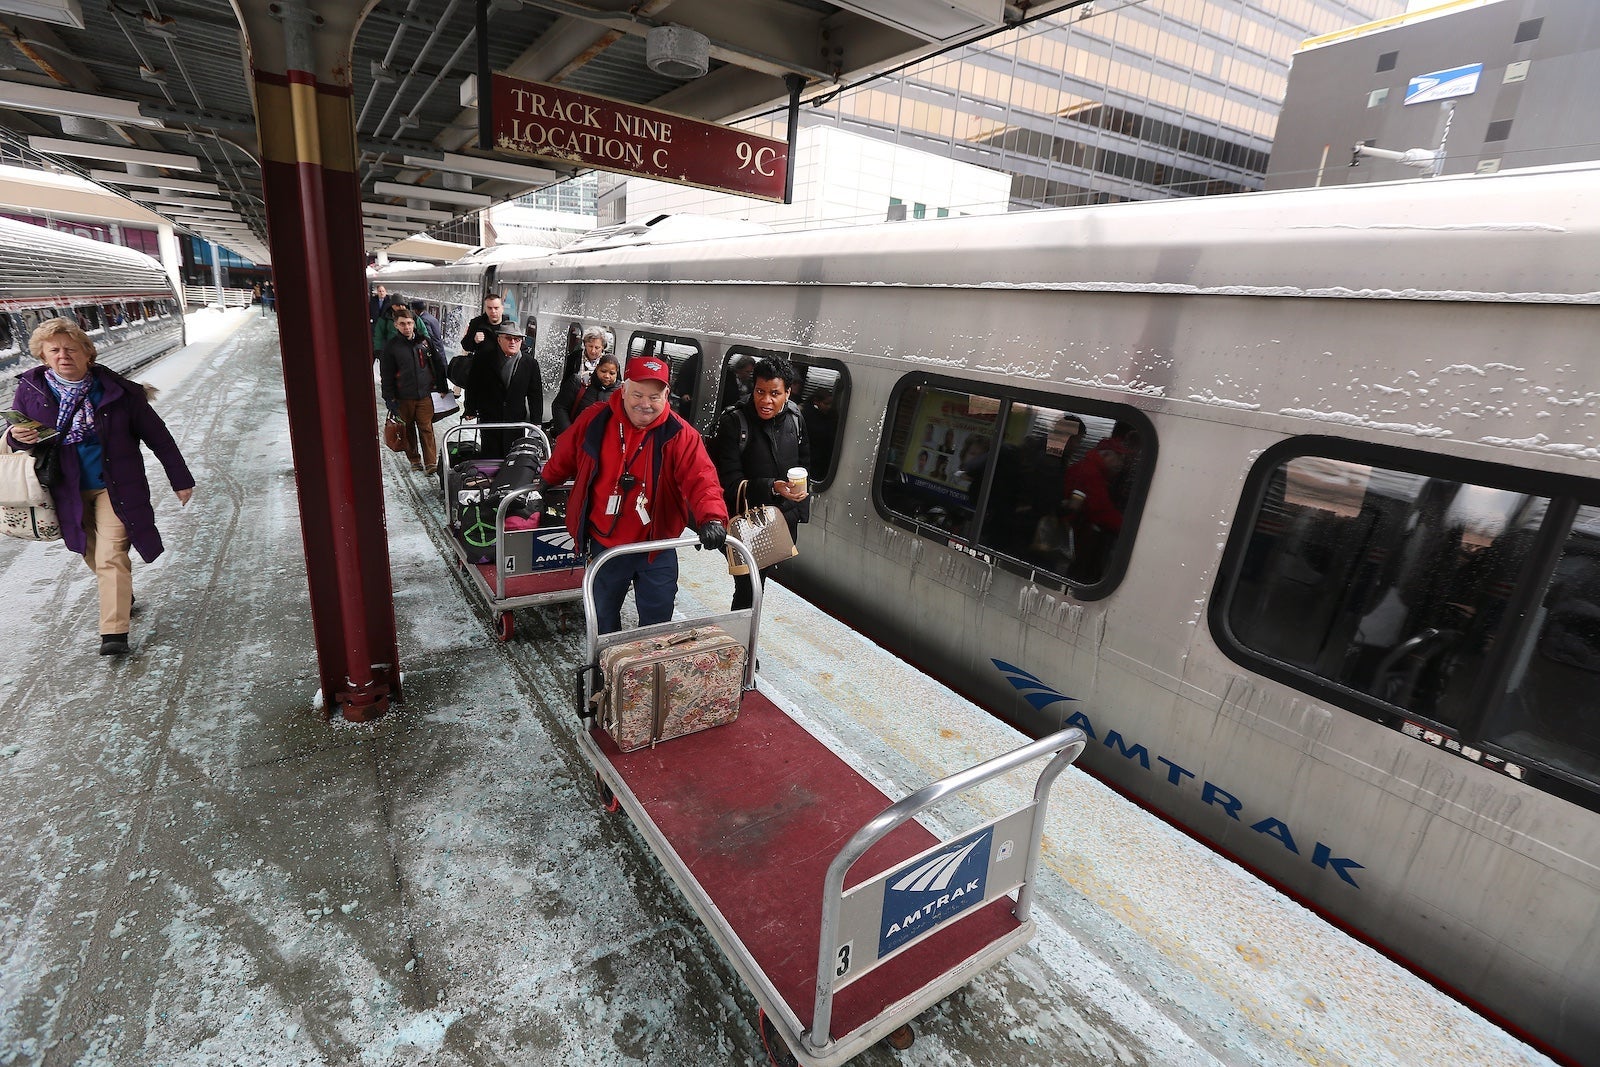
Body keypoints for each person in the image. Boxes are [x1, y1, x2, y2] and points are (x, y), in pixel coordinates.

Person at [4, 318, 194, 656]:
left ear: (87, 353)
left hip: (116, 486)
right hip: (64, 489)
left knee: (110, 555)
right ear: (43, 357)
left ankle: (114, 633)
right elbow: (18, 437)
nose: (63, 356)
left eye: (71, 349)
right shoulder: (30, 391)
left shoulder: (120, 393)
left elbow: (159, 437)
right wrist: (17, 438)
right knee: (91, 552)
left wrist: (180, 479)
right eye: (54, 350)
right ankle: (121, 593)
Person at [541, 355, 727, 635]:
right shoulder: (596, 419)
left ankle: (647, 673)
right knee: (603, 616)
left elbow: (702, 478)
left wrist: (711, 518)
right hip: (606, 543)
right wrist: (546, 480)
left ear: (666, 395)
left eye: (654, 397)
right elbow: (566, 452)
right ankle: (605, 670)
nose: (645, 404)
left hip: (656, 545)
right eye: (638, 394)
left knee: (657, 619)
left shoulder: (681, 434)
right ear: (623, 389)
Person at [709, 357, 810, 611]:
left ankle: (743, 644)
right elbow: (728, 482)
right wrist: (772, 487)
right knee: (749, 588)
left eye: (775, 393)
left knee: (756, 585)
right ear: (752, 388)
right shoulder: (735, 422)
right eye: (760, 392)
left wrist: (798, 510)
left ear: (788, 392)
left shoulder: (796, 419)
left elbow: (805, 464)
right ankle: (743, 646)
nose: (766, 400)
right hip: (745, 523)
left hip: (780, 522)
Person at [378, 307, 451, 473]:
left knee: (426, 427)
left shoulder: (424, 342)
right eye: (402, 324)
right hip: (403, 397)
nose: (407, 327)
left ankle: (431, 463)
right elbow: (387, 374)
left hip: (425, 394)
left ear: (414, 324)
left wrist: (442, 386)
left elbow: (438, 364)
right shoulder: (392, 347)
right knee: (408, 428)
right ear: (396, 325)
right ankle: (414, 459)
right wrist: (389, 398)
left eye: (410, 323)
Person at [463, 320, 541, 458]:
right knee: (490, 456)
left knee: (512, 458)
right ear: (499, 339)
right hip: (490, 418)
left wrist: (536, 422)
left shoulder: (530, 363)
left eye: (517, 339)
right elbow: (473, 384)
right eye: (508, 338)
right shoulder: (483, 358)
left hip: (515, 420)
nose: (513, 342)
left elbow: (535, 395)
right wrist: (470, 408)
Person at [551, 326, 609, 434]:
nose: (593, 350)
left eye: (597, 347)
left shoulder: (609, 363)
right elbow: (565, 383)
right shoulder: (574, 358)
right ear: (584, 344)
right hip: (575, 404)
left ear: (603, 347)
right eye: (590, 346)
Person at [552, 352, 621, 436]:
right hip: (575, 438)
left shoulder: (622, 392)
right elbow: (560, 407)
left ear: (617, 373)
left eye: (612, 373)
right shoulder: (579, 383)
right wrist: (568, 434)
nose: (607, 376)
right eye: (603, 371)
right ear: (597, 368)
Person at [801, 388, 837, 477]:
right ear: (816, 402)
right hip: (813, 457)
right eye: (826, 404)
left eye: (830, 404)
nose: (829, 407)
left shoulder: (829, 415)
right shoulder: (808, 416)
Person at [370, 293, 408, 360]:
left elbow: (422, 330)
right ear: (392, 306)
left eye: (403, 305)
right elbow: (378, 335)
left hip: (407, 349)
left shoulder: (411, 316)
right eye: (398, 305)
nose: (401, 307)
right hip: (391, 350)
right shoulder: (385, 317)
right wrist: (378, 349)